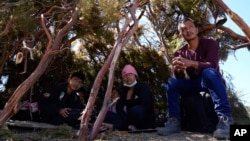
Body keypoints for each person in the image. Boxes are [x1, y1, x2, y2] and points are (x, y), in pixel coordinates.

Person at [157, 18, 233, 139]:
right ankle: (174, 121)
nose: (188, 30)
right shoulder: (179, 53)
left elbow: (213, 65)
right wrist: (178, 70)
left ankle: (225, 120)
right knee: (172, 82)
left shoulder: (210, 43)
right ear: (180, 34)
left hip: (211, 81)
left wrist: (191, 63)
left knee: (208, 72)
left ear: (196, 30)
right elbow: (180, 78)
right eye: (184, 29)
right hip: (195, 84)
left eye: (191, 27)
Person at [115, 64, 156, 131]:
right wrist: (124, 116)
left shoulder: (142, 86)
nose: (128, 77)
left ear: (135, 75)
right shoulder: (124, 91)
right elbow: (119, 107)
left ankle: (123, 125)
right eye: (125, 75)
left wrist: (132, 103)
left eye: (130, 74)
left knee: (135, 110)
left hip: (143, 117)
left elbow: (147, 104)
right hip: (129, 117)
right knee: (109, 115)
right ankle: (124, 125)